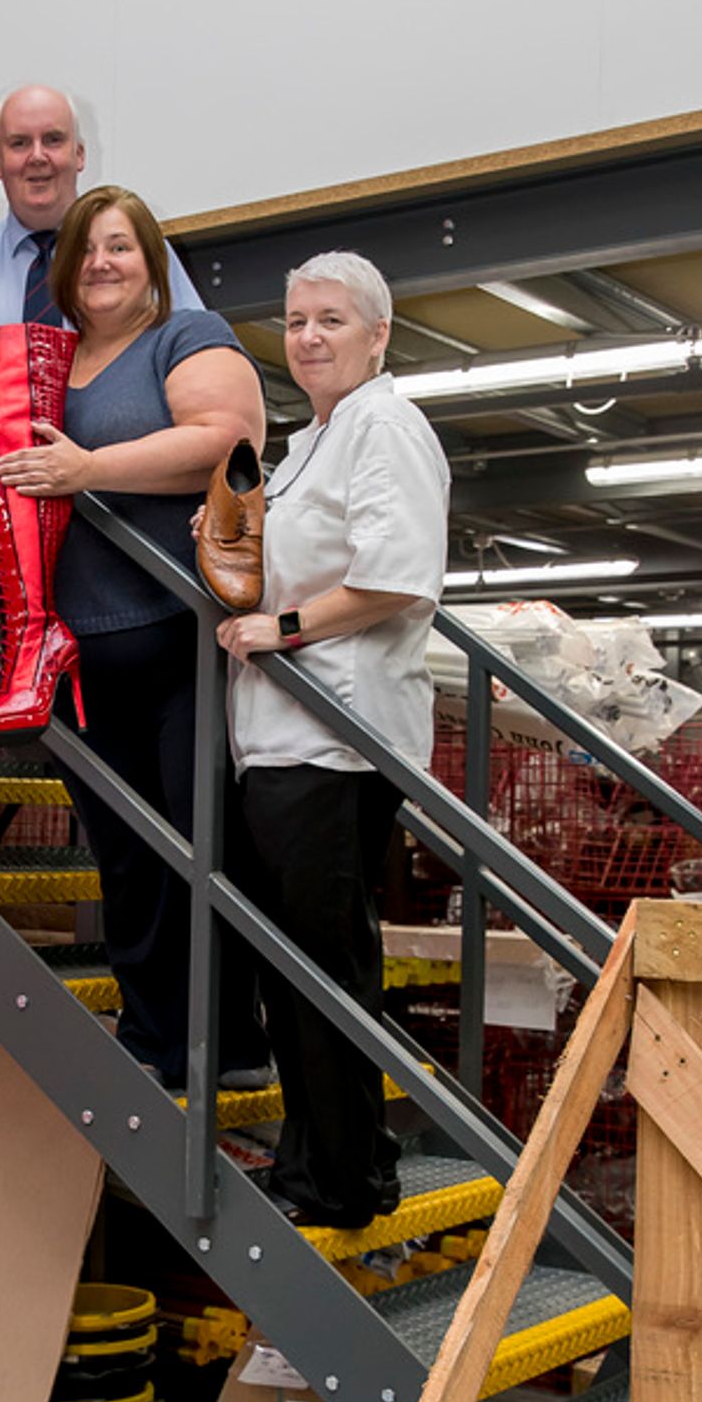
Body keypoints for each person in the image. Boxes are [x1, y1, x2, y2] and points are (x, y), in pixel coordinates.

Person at [0, 183, 267, 1092]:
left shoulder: (186, 336)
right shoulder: (49, 360)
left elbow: (230, 436)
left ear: (152, 265)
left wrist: (88, 469)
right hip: (79, 652)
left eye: (123, 248)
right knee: (129, 863)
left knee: (198, 847)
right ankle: (155, 1038)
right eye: (88, 249)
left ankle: (231, 1044)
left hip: (177, 640)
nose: (102, 262)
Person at [0, 84, 200, 867]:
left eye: (52, 140)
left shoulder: (129, 253)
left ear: (79, 154)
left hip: (104, 512)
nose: (37, 158)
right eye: (19, 144)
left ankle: (52, 690)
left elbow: (188, 359)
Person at [214, 250, 450, 1228]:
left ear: (377, 334)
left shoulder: (384, 427)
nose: (307, 337)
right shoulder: (316, 436)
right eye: (295, 320)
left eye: (331, 321)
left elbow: (395, 575)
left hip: (332, 740)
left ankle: (343, 1178)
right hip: (283, 738)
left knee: (321, 969)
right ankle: (326, 1161)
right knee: (297, 969)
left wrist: (283, 628)